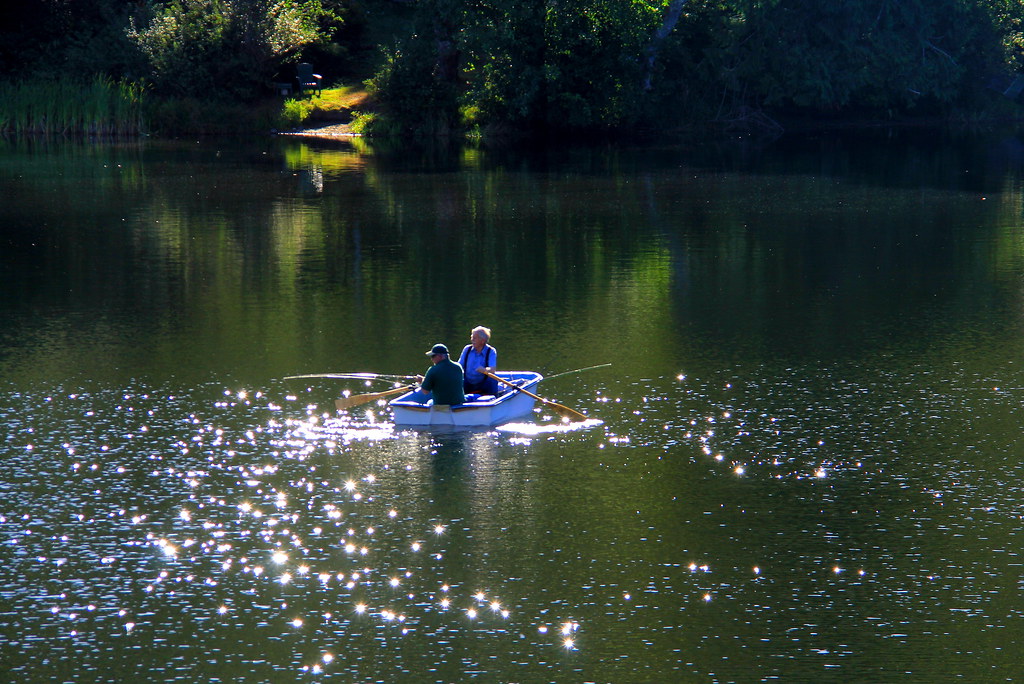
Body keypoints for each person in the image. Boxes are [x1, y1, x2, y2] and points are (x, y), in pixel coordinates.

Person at [458, 325, 499, 395]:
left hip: (483, 383)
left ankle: (493, 398)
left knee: (492, 379)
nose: (472, 340)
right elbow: (459, 366)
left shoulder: (491, 351)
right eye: (472, 337)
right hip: (467, 382)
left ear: (483, 341)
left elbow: (492, 369)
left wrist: (484, 370)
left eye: (475, 338)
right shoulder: (467, 349)